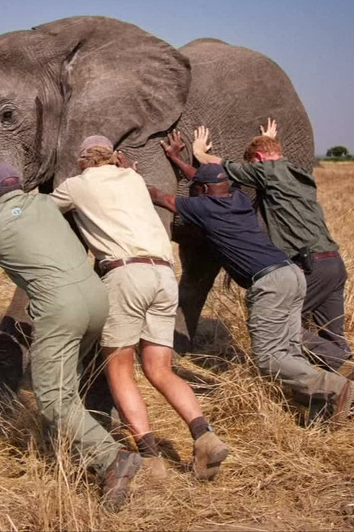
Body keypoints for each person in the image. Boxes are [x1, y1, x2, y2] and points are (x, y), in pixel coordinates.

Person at [48, 135, 228, 480]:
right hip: (163, 274)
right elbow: (130, 176)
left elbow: (45, 212)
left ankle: (150, 458)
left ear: (83, 160)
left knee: (119, 370)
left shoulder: (76, 184)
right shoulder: (132, 178)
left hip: (125, 274)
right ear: (114, 158)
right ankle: (204, 436)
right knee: (160, 370)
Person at [0, 163, 141, 512]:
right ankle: (61, 454)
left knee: (51, 396)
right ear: (19, 185)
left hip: (60, 308)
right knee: (67, 383)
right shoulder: (45, 203)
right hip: (96, 297)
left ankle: (111, 459)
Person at [146, 163, 354, 428]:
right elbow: (207, 183)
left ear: (203, 190)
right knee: (289, 349)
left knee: (268, 357)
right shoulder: (239, 198)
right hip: (292, 273)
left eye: (197, 189)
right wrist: (178, 161)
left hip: (270, 282)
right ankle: (320, 405)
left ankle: (333, 387)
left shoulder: (203, 207)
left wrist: (125, 173)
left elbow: (159, 196)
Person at [160, 121, 354, 379]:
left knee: (280, 326)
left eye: (254, 164)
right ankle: (352, 389)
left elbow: (222, 170)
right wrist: (264, 140)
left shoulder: (267, 172)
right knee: (332, 333)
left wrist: (199, 152)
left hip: (309, 265)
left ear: (260, 159)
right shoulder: (298, 173)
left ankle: (331, 368)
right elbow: (218, 188)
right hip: (334, 263)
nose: (252, 170)